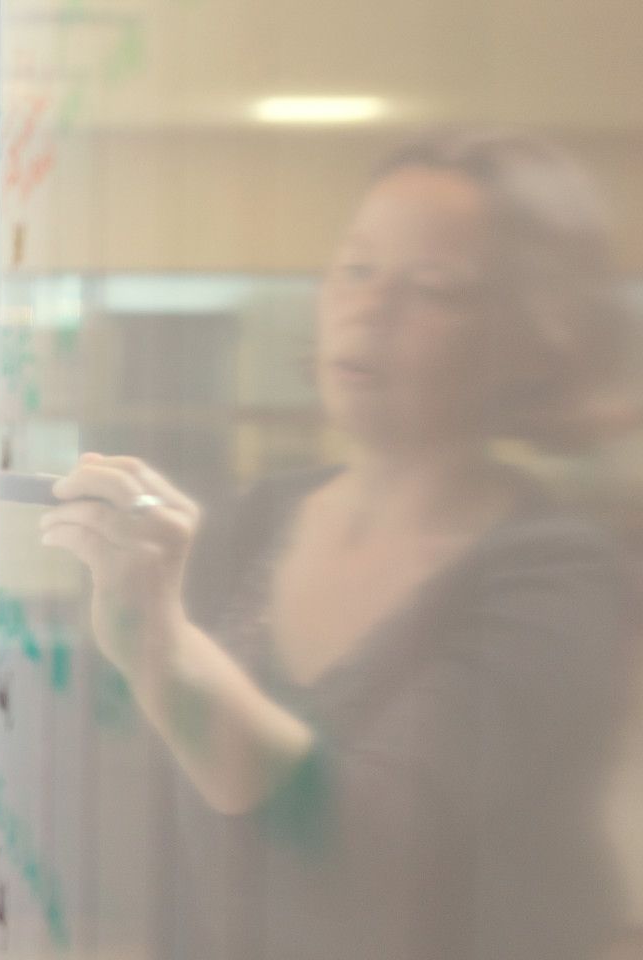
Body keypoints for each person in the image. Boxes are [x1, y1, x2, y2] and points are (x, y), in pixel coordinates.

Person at [40, 132, 639, 959]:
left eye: (434, 288)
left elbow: (370, 839)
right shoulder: (260, 519)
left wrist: (162, 645)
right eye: (357, 270)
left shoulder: (561, 577)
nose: (370, 308)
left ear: (533, 340)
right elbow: (171, 828)